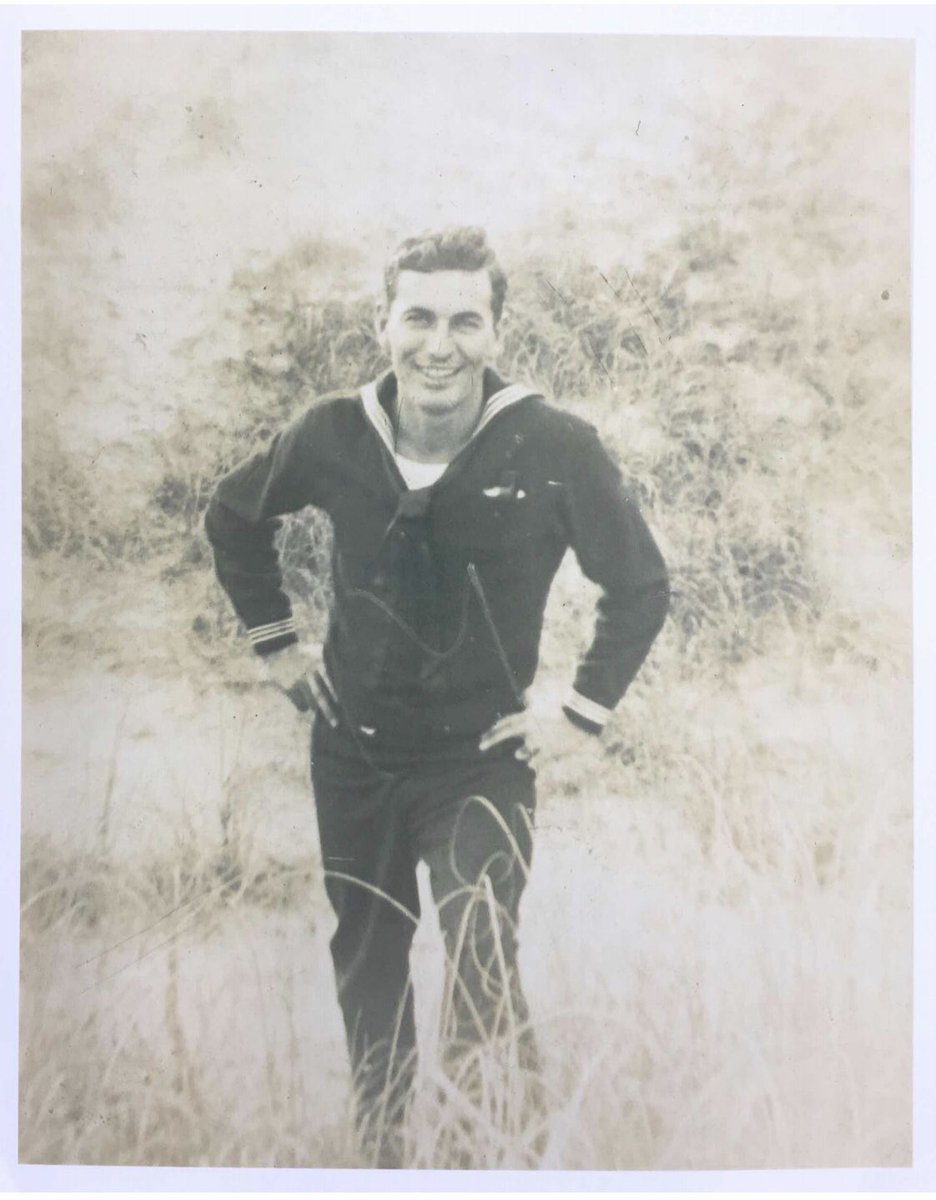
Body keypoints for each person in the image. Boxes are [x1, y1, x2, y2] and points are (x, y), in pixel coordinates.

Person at [204, 226, 669, 1165]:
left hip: (481, 759)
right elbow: (231, 514)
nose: (439, 346)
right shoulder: (334, 432)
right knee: (369, 958)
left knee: (482, 951)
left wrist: (579, 712)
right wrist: (277, 646)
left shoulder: (554, 443)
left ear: (497, 332)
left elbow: (641, 584)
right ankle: (382, 1160)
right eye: (417, 318)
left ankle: (487, 1160)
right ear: (382, 324)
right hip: (354, 753)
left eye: (465, 321)